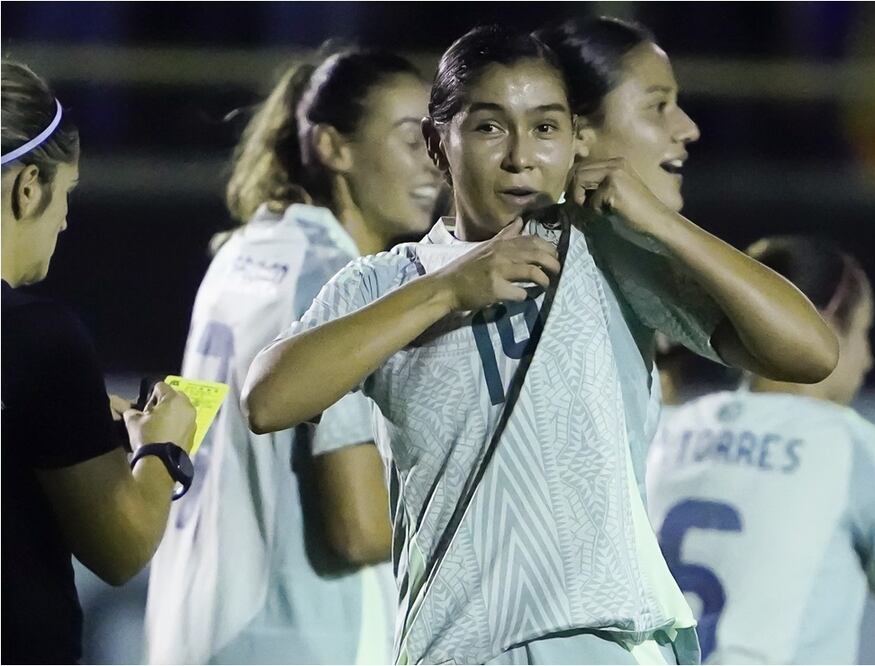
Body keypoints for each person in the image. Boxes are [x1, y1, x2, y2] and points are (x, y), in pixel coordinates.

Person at [243, 25, 835, 664]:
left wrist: (660, 220)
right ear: (436, 145)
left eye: (546, 128)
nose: (521, 156)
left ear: (575, 141)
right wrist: (447, 290)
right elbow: (268, 400)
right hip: (459, 650)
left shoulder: (604, 249)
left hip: (606, 641)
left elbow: (809, 352)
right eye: (490, 128)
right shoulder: (390, 281)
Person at [143, 47, 440, 664]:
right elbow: (357, 528)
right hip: (300, 639)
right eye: (413, 139)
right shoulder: (337, 282)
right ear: (333, 147)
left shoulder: (244, 251)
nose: (435, 163)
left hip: (193, 627)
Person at [646, 236, 875, 664]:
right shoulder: (852, 447)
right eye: (863, 332)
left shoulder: (666, 429)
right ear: (820, 325)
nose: (869, 358)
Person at [1, 59, 198, 664]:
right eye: (67, 193)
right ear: (27, 186)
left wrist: (67, 423)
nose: (64, 219)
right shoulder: (41, 339)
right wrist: (164, 446)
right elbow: (122, 549)